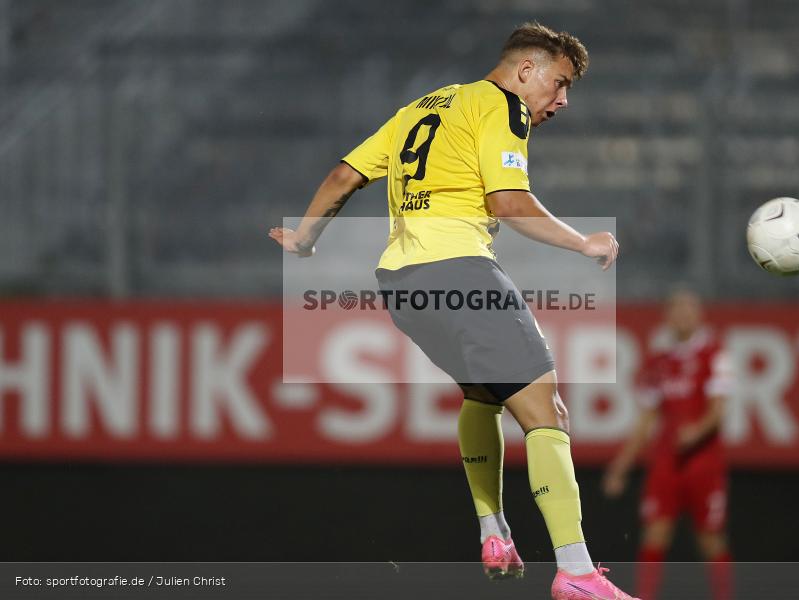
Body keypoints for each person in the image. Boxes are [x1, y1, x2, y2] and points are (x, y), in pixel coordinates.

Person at [270, 21, 638, 600]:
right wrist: (583, 241)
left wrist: (306, 238)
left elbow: (345, 175)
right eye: (560, 83)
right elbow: (508, 202)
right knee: (548, 414)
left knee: (482, 395)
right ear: (525, 71)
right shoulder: (501, 106)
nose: (562, 100)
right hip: (459, 269)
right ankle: (577, 573)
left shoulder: (419, 108)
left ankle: (494, 533)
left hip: (401, 284)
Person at [603, 288, 733, 600]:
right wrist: (620, 467)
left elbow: (718, 411)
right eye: (677, 310)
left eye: (688, 310)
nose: (683, 316)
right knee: (654, 535)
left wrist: (696, 431)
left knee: (710, 538)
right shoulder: (658, 362)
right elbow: (646, 420)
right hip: (666, 461)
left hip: (704, 462)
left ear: (699, 315)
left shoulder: (715, 354)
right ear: (668, 318)